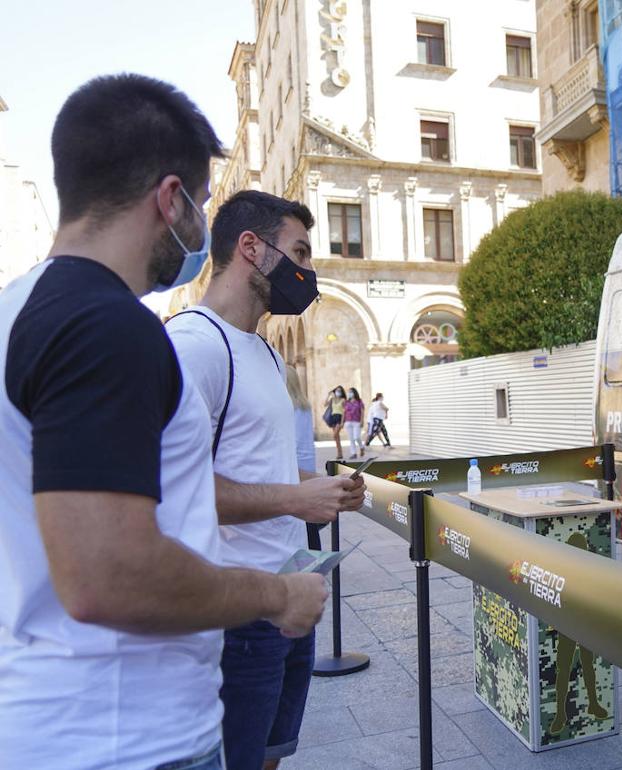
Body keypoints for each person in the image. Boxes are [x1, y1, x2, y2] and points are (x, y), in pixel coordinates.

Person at [0, 74, 327, 770]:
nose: (199, 232)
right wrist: (278, 594)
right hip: (127, 738)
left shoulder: (16, 311)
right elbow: (107, 576)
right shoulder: (107, 327)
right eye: (202, 206)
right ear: (170, 197)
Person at [166, 190, 367, 770]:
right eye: (300, 253)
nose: (308, 272)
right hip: (235, 614)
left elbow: (262, 467)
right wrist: (297, 496)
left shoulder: (265, 354)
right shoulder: (192, 348)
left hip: (289, 596)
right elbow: (181, 491)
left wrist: (320, 488)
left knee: (271, 756)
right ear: (250, 248)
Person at [286, 368, 324, 549]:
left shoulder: (287, 407)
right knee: (310, 528)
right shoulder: (304, 406)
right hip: (306, 467)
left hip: (294, 472)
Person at [324, 385, 346, 459]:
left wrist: (342, 422)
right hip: (333, 417)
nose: (338, 392)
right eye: (337, 390)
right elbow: (325, 404)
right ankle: (339, 453)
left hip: (339, 418)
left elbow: (344, 412)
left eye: (339, 391)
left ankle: (340, 452)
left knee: (335, 435)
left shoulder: (343, 400)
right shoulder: (332, 399)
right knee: (337, 437)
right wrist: (328, 395)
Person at [343, 387, 365, 458]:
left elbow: (362, 411)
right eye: (349, 392)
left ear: (354, 393)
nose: (349, 393)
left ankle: (361, 447)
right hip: (348, 422)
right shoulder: (347, 402)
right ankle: (354, 453)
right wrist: (342, 422)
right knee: (351, 439)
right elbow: (344, 412)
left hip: (357, 422)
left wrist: (362, 421)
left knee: (357, 437)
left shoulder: (359, 401)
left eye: (351, 392)